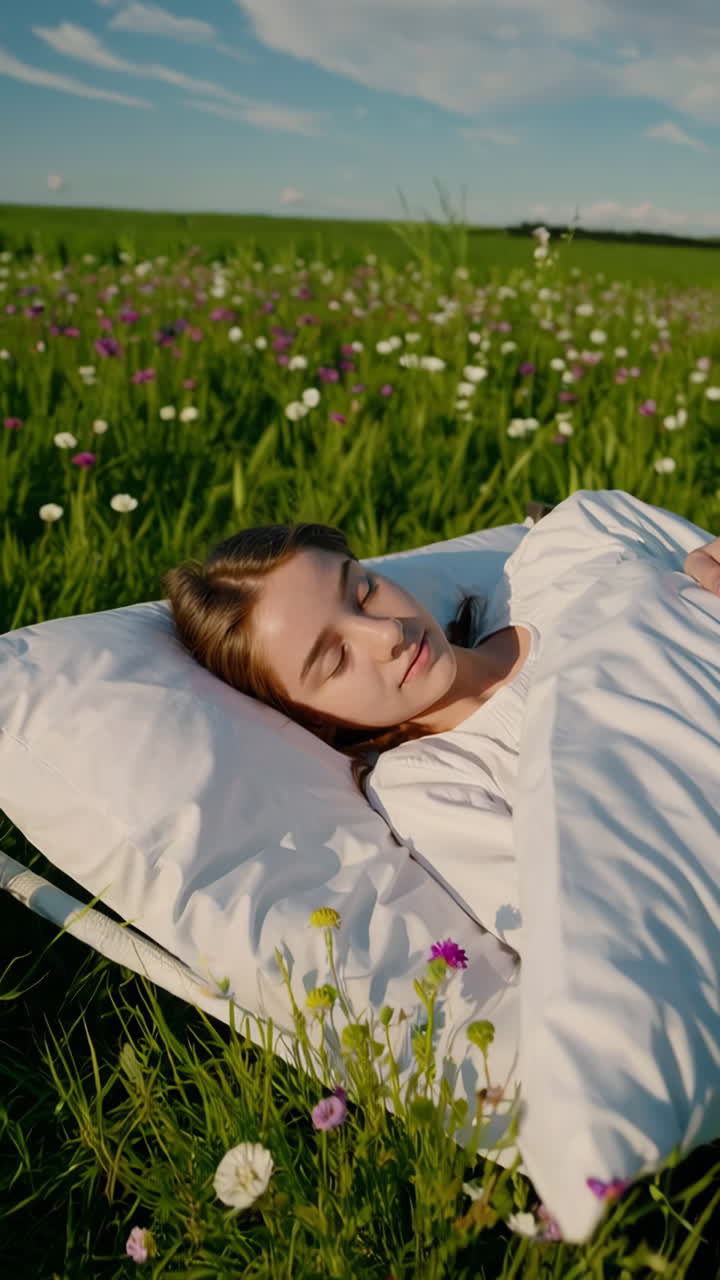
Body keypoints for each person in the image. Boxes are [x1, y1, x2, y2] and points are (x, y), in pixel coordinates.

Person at [161, 489, 720, 949]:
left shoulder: (575, 541)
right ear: (312, 721)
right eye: (334, 659)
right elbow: (591, 935)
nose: (387, 635)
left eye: (364, 591)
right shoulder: (435, 787)